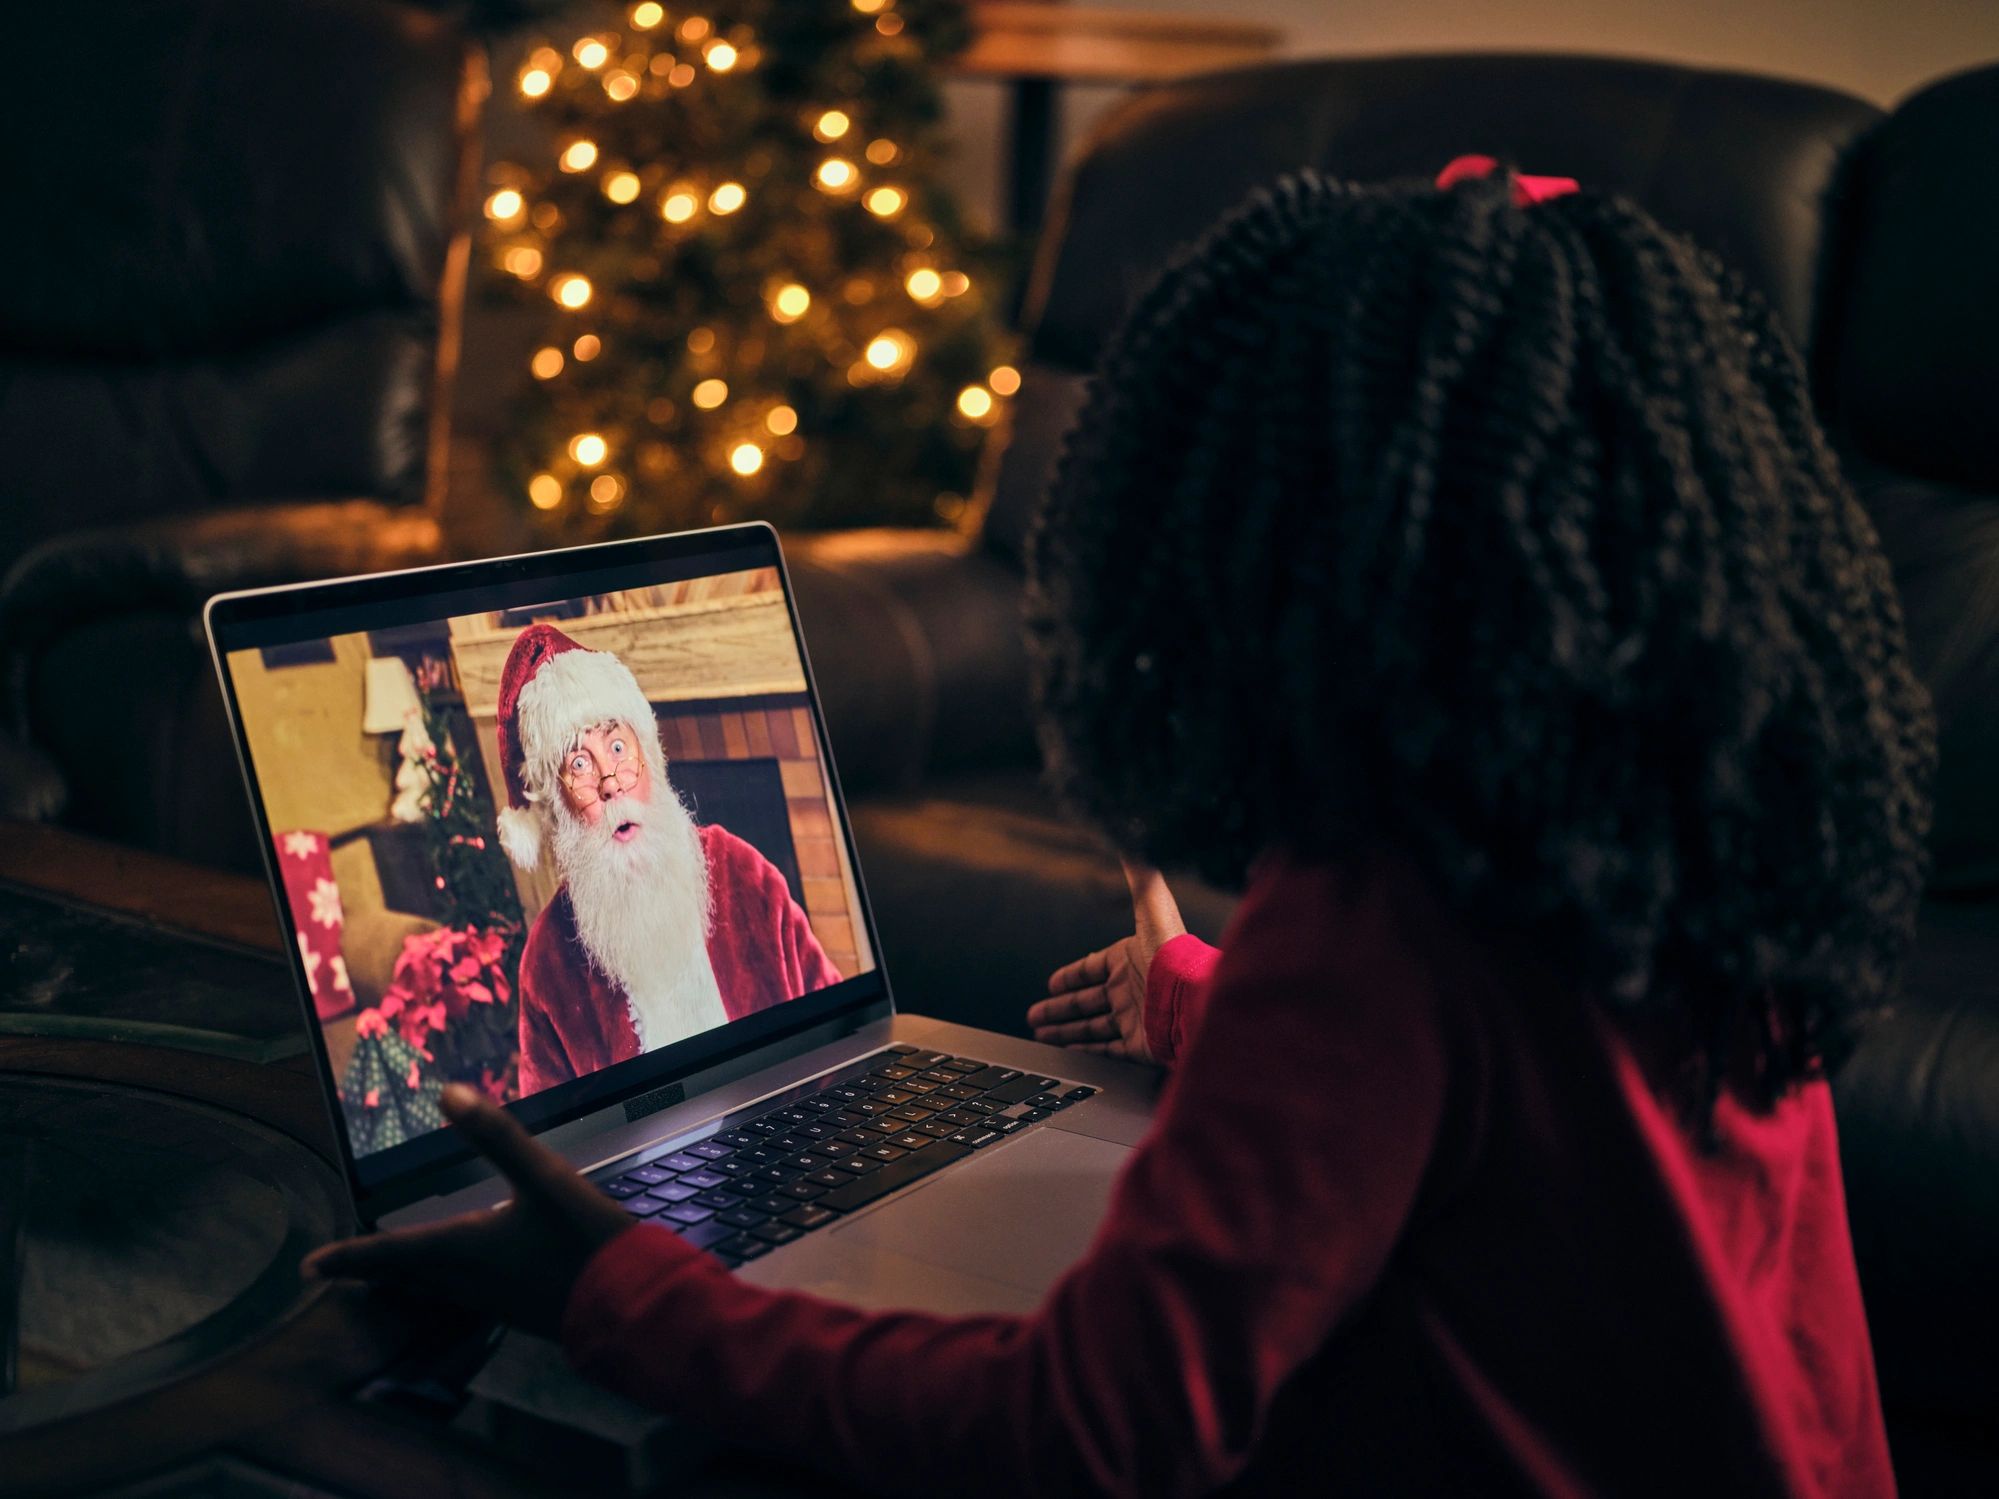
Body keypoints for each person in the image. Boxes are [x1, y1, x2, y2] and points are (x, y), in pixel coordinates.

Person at [305, 160, 1933, 1496]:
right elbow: (1531, 1127)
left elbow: (1093, 1426)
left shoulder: (1377, 900)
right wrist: (1204, 1001)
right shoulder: (1689, 811)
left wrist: (615, 1288)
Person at [492, 622, 842, 1091]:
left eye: (618, 747)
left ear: (649, 756)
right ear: (558, 804)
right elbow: (561, 1141)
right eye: (579, 764)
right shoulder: (548, 961)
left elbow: (838, 1025)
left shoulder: (739, 869)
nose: (611, 782)